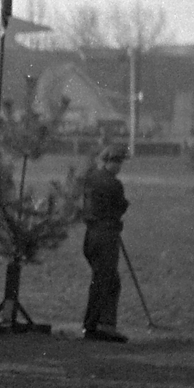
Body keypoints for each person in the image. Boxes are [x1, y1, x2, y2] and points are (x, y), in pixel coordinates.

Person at [80, 142, 131, 343]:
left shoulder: (91, 178)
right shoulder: (113, 183)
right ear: (109, 161)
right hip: (106, 236)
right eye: (117, 162)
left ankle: (99, 325)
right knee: (106, 282)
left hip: (91, 236)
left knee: (105, 280)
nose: (119, 166)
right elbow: (120, 207)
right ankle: (97, 327)